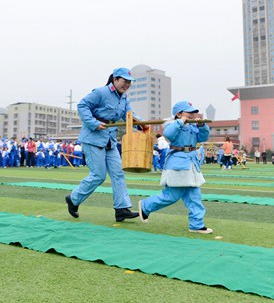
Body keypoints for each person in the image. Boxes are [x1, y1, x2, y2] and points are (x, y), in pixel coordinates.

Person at [65, 67, 140, 222]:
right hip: (93, 138)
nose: (127, 85)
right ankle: (73, 199)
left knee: (118, 173)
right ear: (115, 79)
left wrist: (141, 124)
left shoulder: (124, 99)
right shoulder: (100, 92)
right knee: (98, 176)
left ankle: (121, 209)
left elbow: (129, 116)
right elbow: (82, 106)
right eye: (125, 81)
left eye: (129, 82)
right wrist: (93, 123)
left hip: (110, 140)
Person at [138, 101, 212, 234]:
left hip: (191, 163)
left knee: (194, 195)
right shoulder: (173, 124)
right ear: (178, 114)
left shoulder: (192, 126)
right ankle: (146, 205)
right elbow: (169, 134)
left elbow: (203, 137)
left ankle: (196, 224)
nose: (192, 115)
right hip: (178, 163)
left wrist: (202, 126)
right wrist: (180, 122)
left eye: (193, 112)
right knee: (171, 196)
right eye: (188, 112)